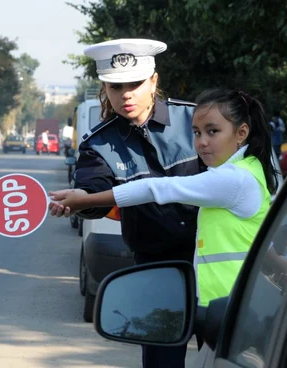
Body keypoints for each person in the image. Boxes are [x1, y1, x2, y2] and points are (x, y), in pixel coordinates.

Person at [50, 88, 281, 366]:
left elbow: (159, 187)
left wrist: (87, 199)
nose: (202, 143)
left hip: (231, 308)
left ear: (241, 133)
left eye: (213, 132)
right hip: (226, 305)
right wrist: (280, 263)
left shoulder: (233, 179)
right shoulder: (247, 167)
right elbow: (246, 238)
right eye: (196, 133)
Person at [48, 38, 204, 367]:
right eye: (116, 86)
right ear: (105, 88)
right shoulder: (99, 144)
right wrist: (79, 203)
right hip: (156, 268)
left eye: (135, 83)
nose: (126, 94)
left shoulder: (197, 123)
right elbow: (93, 195)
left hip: (216, 262)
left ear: (154, 82)